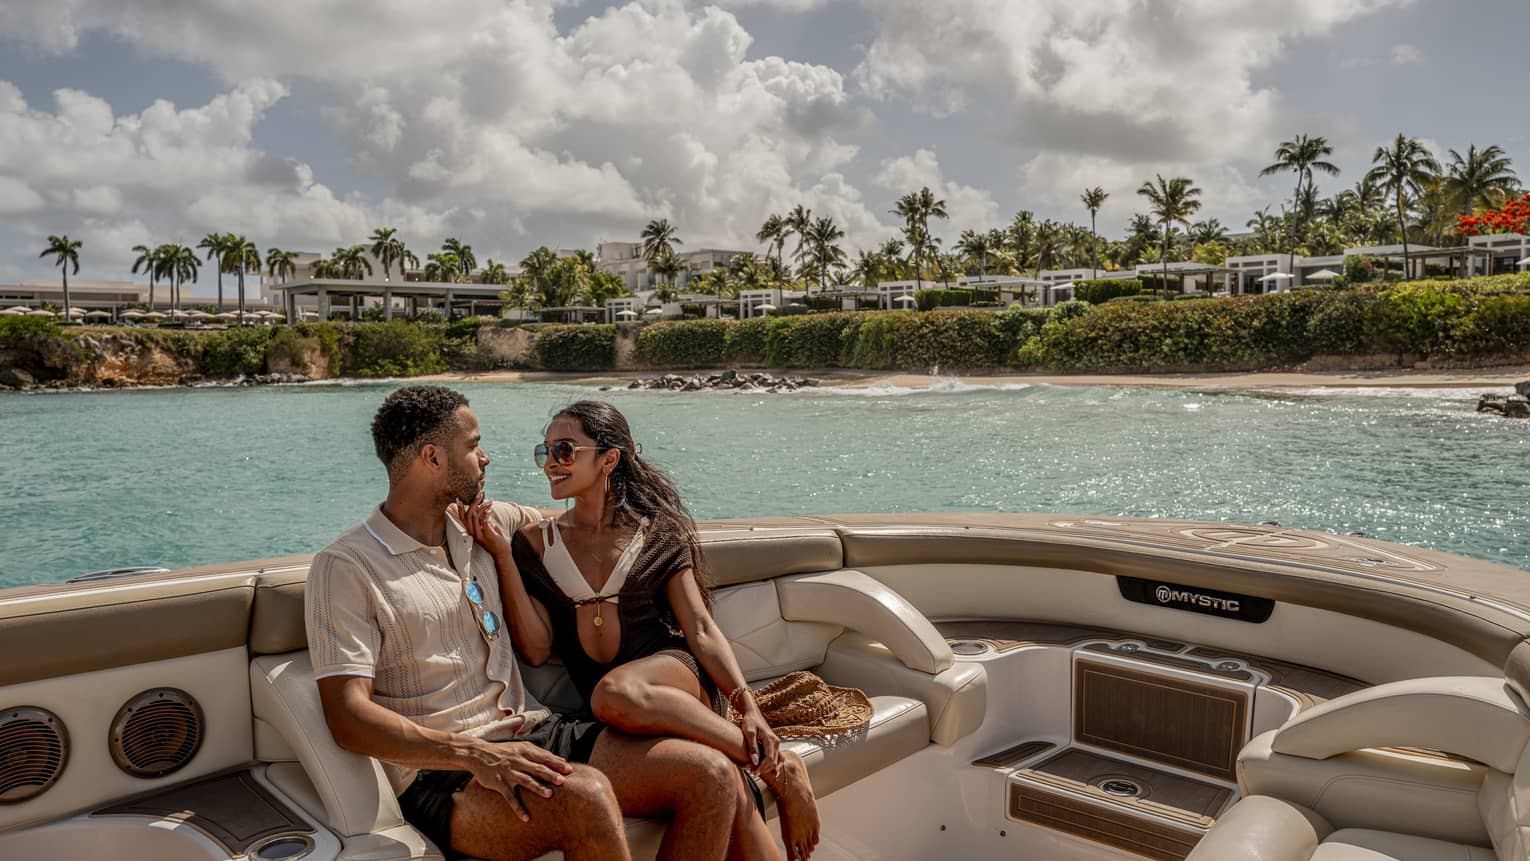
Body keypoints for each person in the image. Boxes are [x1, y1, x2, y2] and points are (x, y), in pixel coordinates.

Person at [307, 385, 758, 861]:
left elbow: (583, 522)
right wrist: (474, 755)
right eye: (473, 445)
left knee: (710, 774)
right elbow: (348, 718)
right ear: (432, 458)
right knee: (585, 796)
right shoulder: (347, 567)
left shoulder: (483, 523)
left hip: (537, 734)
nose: (486, 458)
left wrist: (659, 536)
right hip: (443, 772)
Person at [457, 400, 820, 861]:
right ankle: (766, 767)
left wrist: (747, 707)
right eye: (544, 451)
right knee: (733, 803)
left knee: (615, 692)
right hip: (617, 722)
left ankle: (778, 766)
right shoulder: (533, 546)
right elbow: (535, 648)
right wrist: (503, 558)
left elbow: (701, 630)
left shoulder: (656, 533)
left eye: (565, 451)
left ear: (609, 459)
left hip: (675, 684)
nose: (550, 464)